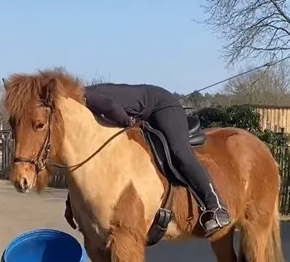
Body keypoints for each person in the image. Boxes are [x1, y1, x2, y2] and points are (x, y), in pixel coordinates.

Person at [70, 82, 231, 237]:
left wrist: (128, 122)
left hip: (163, 105)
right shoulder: (82, 105)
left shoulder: (86, 96)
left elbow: (113, 108)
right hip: (147, 113)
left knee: (179, 152)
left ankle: (216, 207)